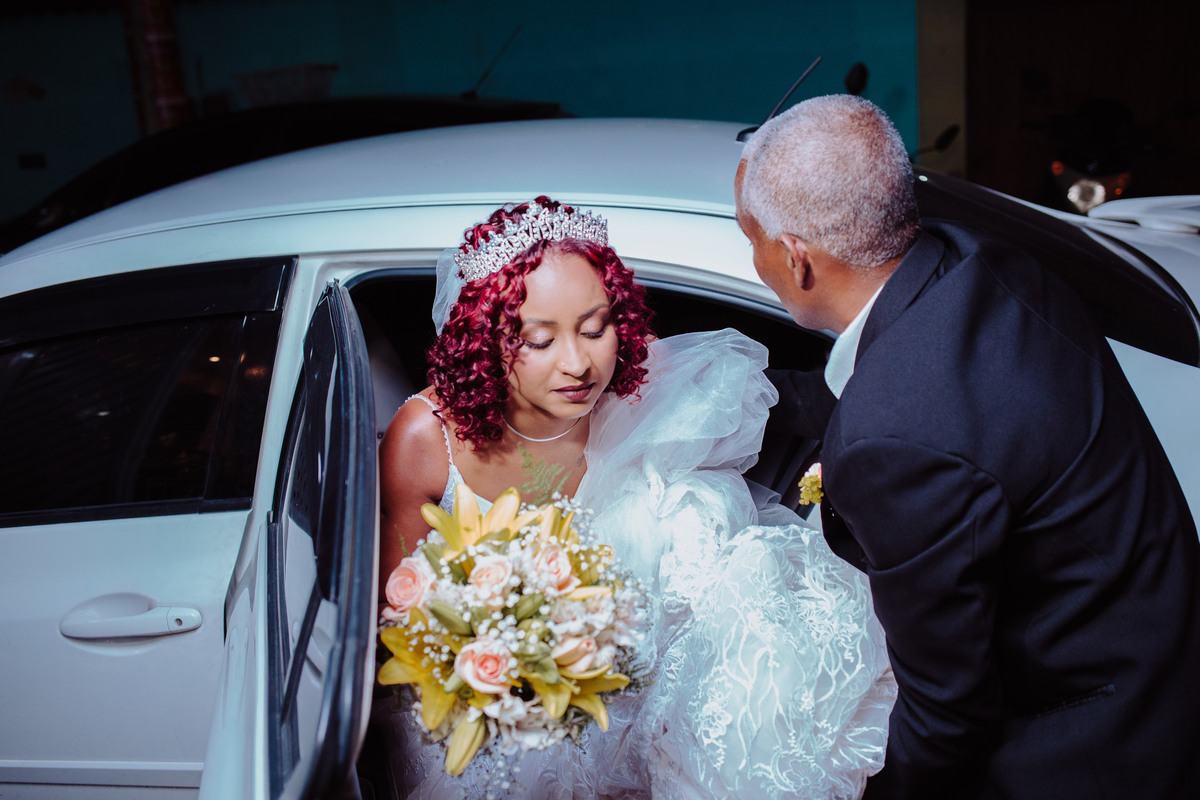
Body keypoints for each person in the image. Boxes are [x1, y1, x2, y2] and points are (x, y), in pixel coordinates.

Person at [735, 94, 1200, 799]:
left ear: (796, 259)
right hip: (1160, 646)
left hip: (1089, 741)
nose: (754, 257)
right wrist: (729, 394)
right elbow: (891, 385)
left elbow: (948, 714)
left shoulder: (893, 437)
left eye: (752, 238)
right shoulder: (981, 263)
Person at [375, 196, 896, 799]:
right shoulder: (426, 439)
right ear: (482, 340)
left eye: (597, 329)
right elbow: (401, 624)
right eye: (540, 340)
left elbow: (797, 399)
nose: (579, 365)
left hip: (641, 696)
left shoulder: (638, 398)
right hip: (487, 707)